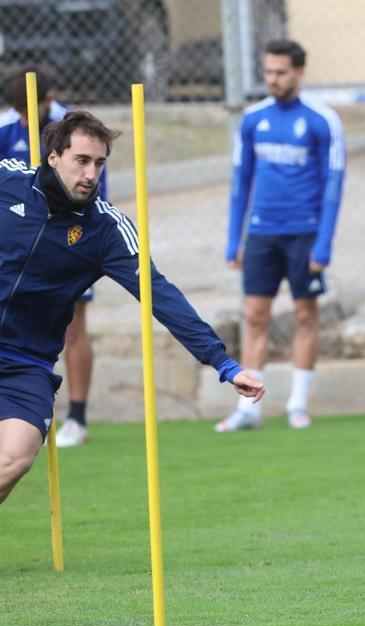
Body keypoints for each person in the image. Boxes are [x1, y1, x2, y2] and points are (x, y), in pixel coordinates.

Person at [0, 111, 264, 506]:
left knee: (14, 459)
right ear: (53, 157)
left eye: (100, 163)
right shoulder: (8, 179)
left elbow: (162, 296)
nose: (92, 173)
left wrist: (224, 363)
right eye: (82, 161)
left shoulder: (106, 230)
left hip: (26, 364)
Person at [219, 39, 345, 432]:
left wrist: (323, 243)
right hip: (261, 233)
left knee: (306, 314)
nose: (272, 79)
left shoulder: (323, 120)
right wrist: (233, 239)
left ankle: (297, 404)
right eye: (268, 72)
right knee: (255, 315)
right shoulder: (253, 119)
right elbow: (241, 183)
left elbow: (333, 186)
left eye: (280, 72)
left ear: (299, 73)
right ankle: (250, 409)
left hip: (303, 233)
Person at [0, 69, 102, 447]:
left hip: (70, 242)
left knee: (74, 326)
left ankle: (77, 414)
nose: (25, 120)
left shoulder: (75, 131)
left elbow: (93, 190)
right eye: (18, 112)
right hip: (22, 250)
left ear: (48, 98)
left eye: (31, 110)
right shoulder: (7, 130)